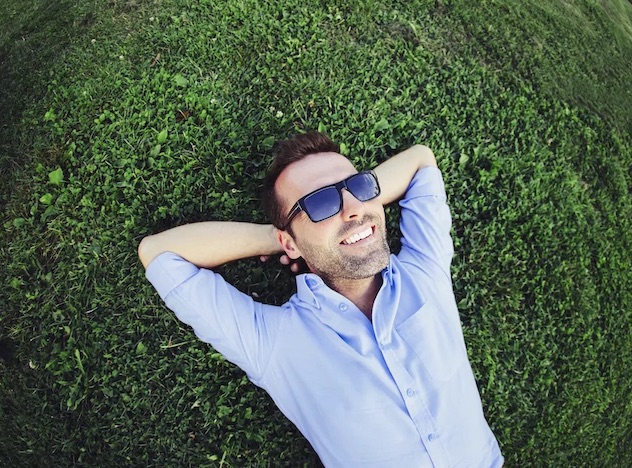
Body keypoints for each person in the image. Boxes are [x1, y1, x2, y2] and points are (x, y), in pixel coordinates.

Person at [138, 132, 503, 467]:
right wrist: (279, 237)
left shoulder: (426, 269)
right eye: (321, 202)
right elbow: (159, 253)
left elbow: (421, 160)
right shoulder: (275, 343)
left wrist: (339, 216)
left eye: (358, 186)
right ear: (290, 243)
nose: (353, 208)